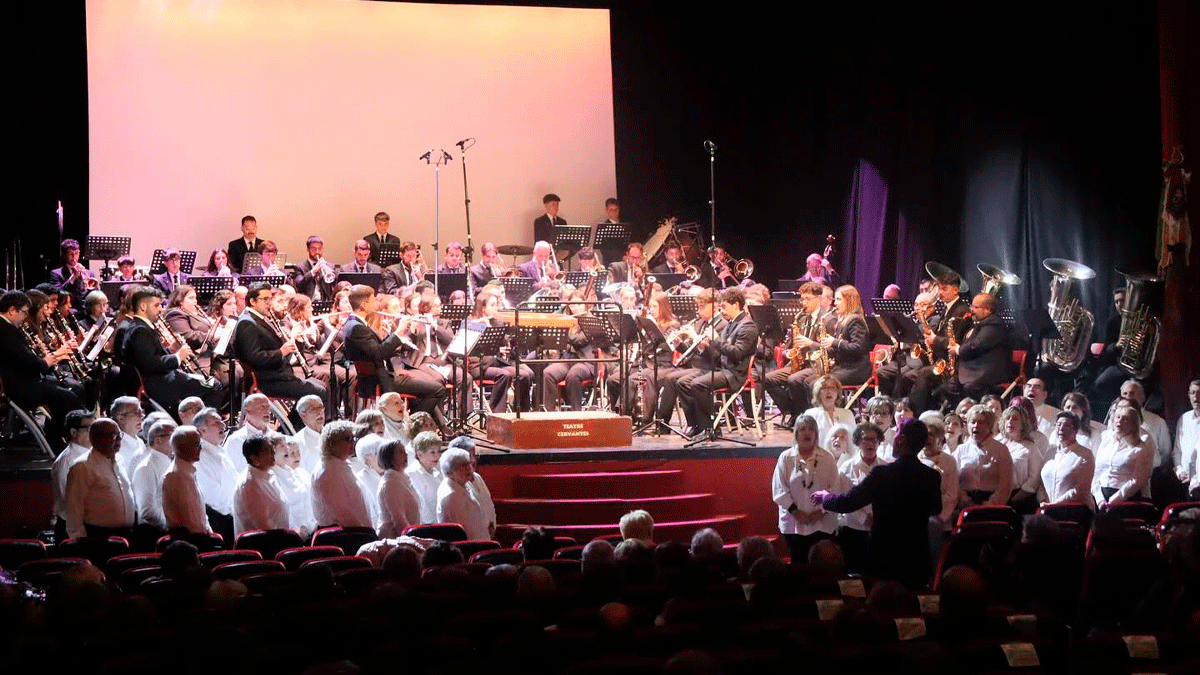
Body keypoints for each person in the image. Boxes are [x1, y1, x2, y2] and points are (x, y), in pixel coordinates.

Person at [812, 419, 943, 590]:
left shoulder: (883, 474)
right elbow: (936, 508)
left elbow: (848, 502)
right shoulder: (932, 476)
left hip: (885, 558)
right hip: (915, 559)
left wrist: (825, 498)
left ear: (901, 439)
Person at [341, 284, 448, 421]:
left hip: (381, 375)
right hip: (379, 380)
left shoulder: (354, 323)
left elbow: (374, 350)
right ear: (363, 305)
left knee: (427, 387)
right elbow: (378, 353)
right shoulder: (356, 327)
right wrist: (399, 331)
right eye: (372, 300)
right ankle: (412, 424)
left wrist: (393, 339)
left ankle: (436, 426)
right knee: (437, 389)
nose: (375, 303)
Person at [121, 286, 225, 412]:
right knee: (214, 386)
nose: (160, 309)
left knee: (210, 382)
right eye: (156, 305)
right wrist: (178, 357)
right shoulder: (140, 331)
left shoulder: (140, 327)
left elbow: (152, 356)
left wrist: (172, 349)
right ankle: (204, 421)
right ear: (143, 306)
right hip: (160, 385)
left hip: (162, 379)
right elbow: (151, 364)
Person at [0, 290, 83, 442]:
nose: (26, 316)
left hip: (23, 382)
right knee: (68, 397)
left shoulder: (7, 328)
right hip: (20, 387)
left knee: (67, 393)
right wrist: (46, 362)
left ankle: (58, 437)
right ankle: (59, 439)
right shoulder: (6, 331)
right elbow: (27, 361)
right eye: (24, 312)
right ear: (11, 310)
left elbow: (23, 358)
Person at [677, 287, 759, 438]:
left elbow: (737, 354)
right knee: (682, 383)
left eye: (724, 307)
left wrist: (715, 339)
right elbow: (718, 352)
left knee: (698, 384)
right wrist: (704, 346)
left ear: (736, 305)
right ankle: (695, 424)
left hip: (734, 374)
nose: (722, 310)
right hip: (721, 369)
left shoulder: (748, 326)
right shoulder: (731, 323)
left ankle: (710, 428)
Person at [233, 282, 327, 401]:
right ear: (253, 302)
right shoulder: (247, 322)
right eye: (265, 299)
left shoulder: (260, 319)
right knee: (320, 391)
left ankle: (302, 413)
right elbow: (254, 357)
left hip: (277, 375)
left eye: (270, 299)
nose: (269, 303)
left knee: (323, 386)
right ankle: (299, 414)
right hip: (267, 380)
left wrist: (296, 343)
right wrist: (281, 352)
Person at [764, 282, 836, 427]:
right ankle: (792, 411)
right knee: (767, 379)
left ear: (818, 298)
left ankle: (804, 415)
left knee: (794, 379)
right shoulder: (802, 319)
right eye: (802, 299)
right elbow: (794, 344)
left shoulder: (829, 319)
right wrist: (789, 350)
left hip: (818, 365)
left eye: (808, 299)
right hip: (801, 364)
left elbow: (832, 350)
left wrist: (810, 343)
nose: (803, 303)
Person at [772, 415, 839, 563]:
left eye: (811, 429)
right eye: (802, 429)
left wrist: (821, 512)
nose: (807, 433)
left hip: (822, 524)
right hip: (793, 524)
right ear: (796, 433)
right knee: (799, 565)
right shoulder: (786, 458)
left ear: (816, 434)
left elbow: (835, 489)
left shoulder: (827, 458)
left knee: (822, 566)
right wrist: (795, 512)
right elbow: (779, 490)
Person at [64, 418, 136, 539]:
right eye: (114, 436)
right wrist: (80, 539)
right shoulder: (83, 466)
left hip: (125, 534)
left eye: (120, 435)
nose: (119, 440)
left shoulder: (119, 460)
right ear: (96, 438)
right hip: (97, 537)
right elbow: (74, 509)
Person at [835, 422, 888, 573]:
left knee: (876, 573)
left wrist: (878, 519)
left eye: (874, 439)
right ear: (858, 442)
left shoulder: (886, 467)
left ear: (879, 442)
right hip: (854, 530)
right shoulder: (847, 468)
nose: (871, 444)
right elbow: (846, 500)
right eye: (866, 439)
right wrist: (865, 519)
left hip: (879, 530)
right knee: (854, 573)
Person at [468, 290, 533, 412]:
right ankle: (497, 412)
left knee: (524, 375)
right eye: (492, 305)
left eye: (496, 305)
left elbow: (503, 342)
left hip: (496, 362)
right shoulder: (471, 322)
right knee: (504, 375)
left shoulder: (496, 321)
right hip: (479, 365)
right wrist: (484, 326)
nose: (496, 308)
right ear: (482, 307)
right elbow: (471, 349)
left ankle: (521, 412)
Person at [311, 420, 373, 529]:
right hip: (344, 534)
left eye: (353, 438)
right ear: (333, 443)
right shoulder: (327, 472)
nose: (353, 443)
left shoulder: (339, 463)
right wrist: (364, 531)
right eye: (348, 439)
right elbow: (342, 512)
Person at [1091, 402, 1154, 509]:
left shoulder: (1140, 448)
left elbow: (1138, 480)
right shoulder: (1106, 442)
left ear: (1133, 424)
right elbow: (1097, 472)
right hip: (1100, 496)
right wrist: (1100, 499)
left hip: (1125, 498)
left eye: (1125, 419)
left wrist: (1116, 499)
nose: (1119, 421)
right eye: (1118, 417)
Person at [917, 412, 958, 568]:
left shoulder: (949, 461)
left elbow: (952, 494)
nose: (927, 438)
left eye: (932, 435)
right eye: (925, 435)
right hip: (916, 520)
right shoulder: (915, 458)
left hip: (940, 520)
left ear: (940, 439)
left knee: (935, 560)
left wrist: (937, 517)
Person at [193, 407, 236, 543]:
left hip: (232, 516)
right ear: (202, 430)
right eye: (216, 422)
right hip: (220, 520)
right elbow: (213, 496)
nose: (222, 425)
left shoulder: (219, 450)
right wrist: (236, 511)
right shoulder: (200, 455)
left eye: (221, 421)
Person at [955, 405, 1013, 506]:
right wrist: (963, 498)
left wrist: (992, 503)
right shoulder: (961, 450)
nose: (975, 426)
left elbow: (1006, 484)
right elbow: (954, 481)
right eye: (972, 422)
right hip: (965, 502)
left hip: (992, 503)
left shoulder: (1001, 450)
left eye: (980, 422)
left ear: (989, 426)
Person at [232, 434, 289, 534]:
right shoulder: (249, 485)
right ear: (254, 458)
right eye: (267, 450)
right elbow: (264, 527)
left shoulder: (267, 474)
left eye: (272, 448)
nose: (273, 452)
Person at [52, 410, 94, 540]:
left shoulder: (92, 454)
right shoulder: (67, 460)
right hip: (73, 530)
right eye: (89, 429)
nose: (94, 432)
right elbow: (70, 501)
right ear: (73, 432)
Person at [161, 425, 211, 535]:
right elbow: (190, 520)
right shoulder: (177, 475)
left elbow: (200, 514)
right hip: (189, 538)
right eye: (196, 445)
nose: (200, 448)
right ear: (181, 447)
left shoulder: (187, 472)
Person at [1041, 412, 1095, 508]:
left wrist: (1054, 504)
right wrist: (1042, 500)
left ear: (1076, 430)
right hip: (1049, 507)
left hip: (1075, 508)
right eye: (1058, 425)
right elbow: (1041, 483)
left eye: (1067, 426)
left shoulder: (1085, 454)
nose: (1061, 428)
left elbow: (1081, 490)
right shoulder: (1050, 452)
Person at [131, 419, 177, 533]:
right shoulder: (145, 468)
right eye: (173, 435)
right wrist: (169, 528)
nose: (177, 439)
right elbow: (147, 512)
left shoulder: (169, 462)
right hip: (155, 533)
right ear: (158, 440)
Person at [436, 448, 490, 540]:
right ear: (450, 472)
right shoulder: (451, 496)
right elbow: (463, 533)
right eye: (462, 466)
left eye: (468, 464)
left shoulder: (460, 484)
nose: (469, 468)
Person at [450, 435, 496, 538]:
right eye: (469, 456)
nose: (473, 460)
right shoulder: (458, 484)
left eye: (475, 455)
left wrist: (492, 525)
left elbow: (489, 504)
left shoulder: (477, 477)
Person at [1001, 407, 1043, 513]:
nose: (1010, 421)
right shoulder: (1000, 444)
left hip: (1020, 501)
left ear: (1023, 424)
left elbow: (1035, 479)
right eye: (1007, 418)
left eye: (1015, 419)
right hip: (999, 496)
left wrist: (1015, 499)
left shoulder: (1030, 447)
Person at [272, 436, 315, 539]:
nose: (286, 448)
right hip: (291, 535)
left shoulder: (295, 472)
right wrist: (297, 531)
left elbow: (307, 501)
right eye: (282, 446)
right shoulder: (272, 476)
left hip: (308, 529)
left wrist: (310, 526)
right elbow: (283, 509)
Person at [377, 439, 420, 538]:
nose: (406, 454)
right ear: (390, 457)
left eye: (405, 451)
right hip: (395, 538)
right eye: (400, 452)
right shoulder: (390, 483)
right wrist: (412, 539)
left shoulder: (402, 478)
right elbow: (399, 521)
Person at [223, 393, 273, 475]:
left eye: (268, 406)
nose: (267, 410)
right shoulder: (236, 441)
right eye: (262, 407)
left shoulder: (276, 438)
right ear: (248, 412)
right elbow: (227, 474)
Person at [802, 375, 854, 449]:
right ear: (818, 393)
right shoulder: (810, 415)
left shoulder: (847, 414)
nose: (829, 391)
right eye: (824, 388)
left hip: (843, 455)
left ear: (837, 393)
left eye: (832, 388)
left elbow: (854, 443)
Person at [406, 431, 443, 525]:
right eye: (432, 452)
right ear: (420, 454)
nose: (437, 456)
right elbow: (421, 508)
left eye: (439, 451)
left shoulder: (437, 472)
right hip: (425, 527)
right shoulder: (412, 475)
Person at [49, 238, 95, 308]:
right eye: (70, 254)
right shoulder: (56, 273)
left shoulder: (89, 273)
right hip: (69, 308)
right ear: (64, 255)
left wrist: (85, 281)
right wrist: (73, 278)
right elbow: (58, 294)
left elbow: (94, 294)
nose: (74, 257)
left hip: (86, 308)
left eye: (76, 253)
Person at [292, 235, 337, 302]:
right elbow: (299, 286)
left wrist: (330, 271)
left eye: (320, 249)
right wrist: (312, 272)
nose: (317, 252)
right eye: (314, 249)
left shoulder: (330, 266)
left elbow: (337, 284)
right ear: (308, 250)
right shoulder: (300, 267)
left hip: (326, 302)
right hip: (307, 303)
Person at [1175, 380, 1200, 498]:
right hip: (1185, 481)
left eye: (1199, 393)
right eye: (1193, 393)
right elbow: (1177, 450)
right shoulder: (1184, 419)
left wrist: (1196, 477)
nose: (1196, 397)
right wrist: (1180, 472)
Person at [290, 394, 325, 475]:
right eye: (313, 409)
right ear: (303, 415)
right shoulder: (298, 441)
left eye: (321, 407)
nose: (319, 412)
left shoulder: (332, 434)